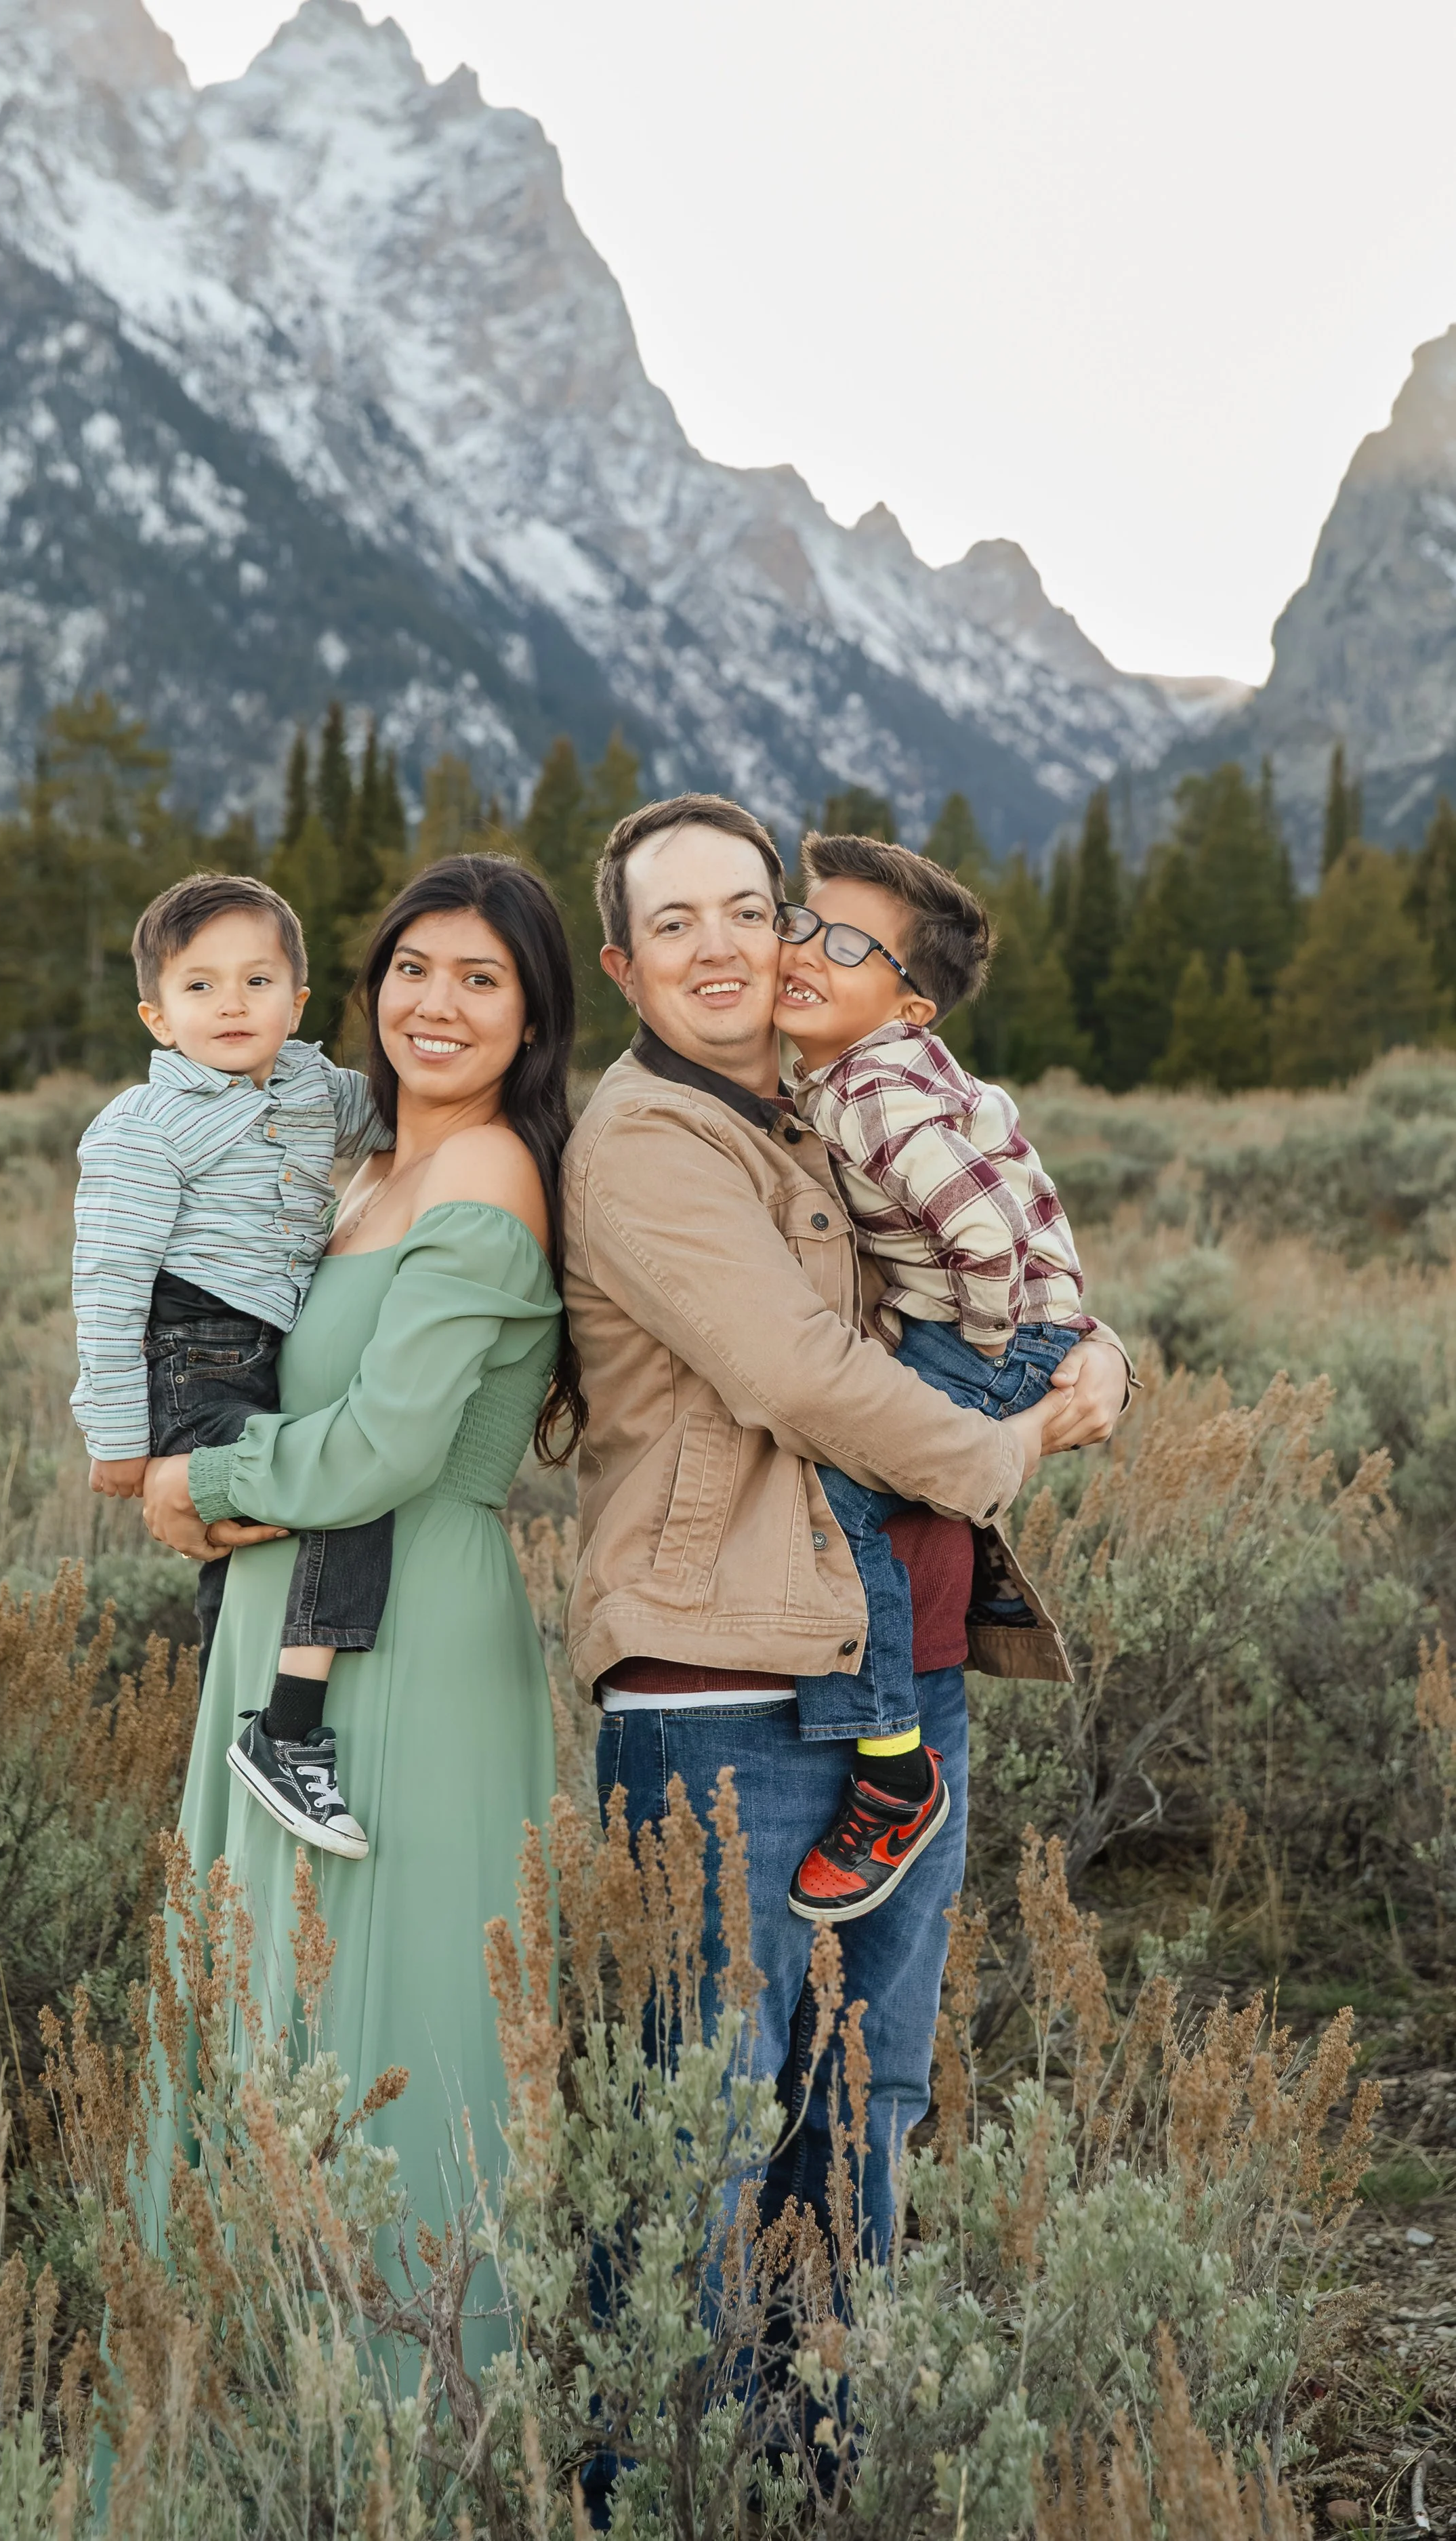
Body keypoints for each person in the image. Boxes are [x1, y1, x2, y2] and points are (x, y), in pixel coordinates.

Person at [561, 791, 1131, 2263]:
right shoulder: (647, 1140)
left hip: (904, 1680)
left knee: (865, 2102)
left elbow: (978, 1256)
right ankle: (678, 2416)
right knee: (703, 2116)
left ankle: (824, 2410)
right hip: (726, 1689)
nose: (720, 947)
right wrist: (1009, 1446)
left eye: (750, 913)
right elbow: (799, 1378)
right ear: (623, 965)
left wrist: (1097, 1351)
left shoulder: (835, 1104)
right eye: (672, 922)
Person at [138, 853, 579, 2333]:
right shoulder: (369, 1166)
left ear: (533, 1015)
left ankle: (403, 2389)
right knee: (275, 1996)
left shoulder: (489, 1173)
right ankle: (259, 2382)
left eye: (480, 978)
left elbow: (390, 1444)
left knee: (379, 2006)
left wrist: (200, 1480)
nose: (435, 1004)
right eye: (411, 968)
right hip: (296, 1614)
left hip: (409, 1632)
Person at [774, 829, 1094, 1926]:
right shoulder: (855, 1071)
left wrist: (982, 1355)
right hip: (1010, 1323)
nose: (804, 949)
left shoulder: (873, 1090)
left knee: (840, 1499)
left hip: (993, 1332)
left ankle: (892, 1767)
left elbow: (983, 1233)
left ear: (911, 1007)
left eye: (848, 945)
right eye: (803, 922)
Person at [70, 871, 393, 1855]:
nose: (231, 1005)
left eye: (258, 981)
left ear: (296, 1002)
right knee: (336, 1484)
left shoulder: (312, 1088)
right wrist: (120, 1441)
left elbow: (407, 1119)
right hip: (194, 1358)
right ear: (158, 1017)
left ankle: (235, 1728)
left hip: (275, 1353)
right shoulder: (145, 1127)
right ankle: (282, 1730)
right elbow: (109, 1286)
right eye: (200, 986)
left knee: (257, 1555)